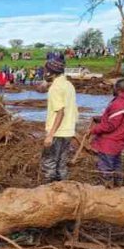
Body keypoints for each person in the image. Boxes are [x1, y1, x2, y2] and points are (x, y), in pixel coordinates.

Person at [89, 77, 124, 186]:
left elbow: (111, 125)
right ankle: (117, 188)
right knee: (116, 164)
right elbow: (115, 119)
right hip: (118, 140)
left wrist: (94, 130)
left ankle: (108, 190)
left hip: (110, 141)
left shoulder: (119, 103)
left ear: (118, 89)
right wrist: (101, 119)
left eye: (114, 87)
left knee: (106, 167)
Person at [42, 54, 78, 183]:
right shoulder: (68, 85)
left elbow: (60, 112)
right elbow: (73, 109)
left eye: (46, 70)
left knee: (49, 163)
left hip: (57, 132)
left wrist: (50, 135)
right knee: (61, 164)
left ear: (51, 73)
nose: (44, 73)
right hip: (68, 131)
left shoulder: (55, 88)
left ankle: (48, 191)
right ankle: (62, 190)